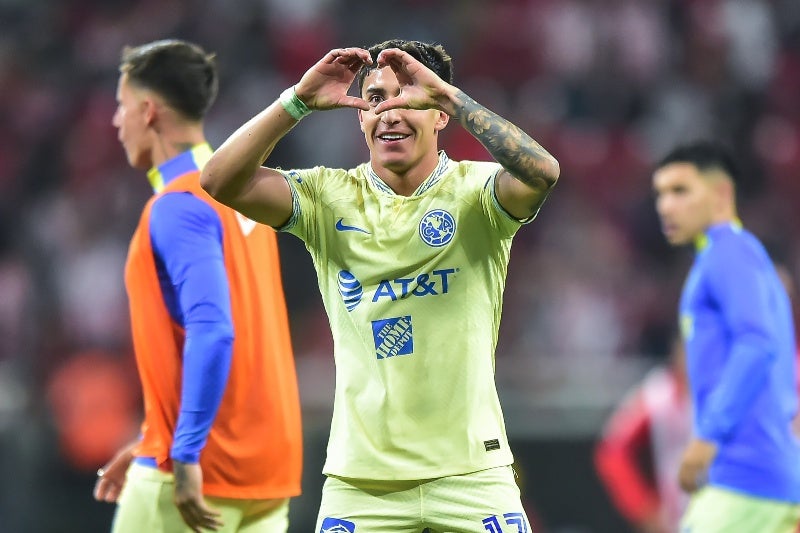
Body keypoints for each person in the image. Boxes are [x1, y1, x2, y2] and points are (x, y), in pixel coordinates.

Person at [200, 39, 560, 532]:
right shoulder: (329, 197)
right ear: (360, 118)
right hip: (360, 482)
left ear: (438, 114)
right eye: (374, 101)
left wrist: (452, 96)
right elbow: (219, 180)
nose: (387, 113)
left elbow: (543, 172)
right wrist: (297, 101)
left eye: (406, 99)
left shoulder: (477, 192)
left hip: (472, 475)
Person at [92, 39, 303, 533]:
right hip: (267, 473)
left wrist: (181, 449)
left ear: (148, 112)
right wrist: (154, 433)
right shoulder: (247, 197)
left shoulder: (178, 204)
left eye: (121, 107)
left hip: (197, 473)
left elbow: (214, 329)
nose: (116, 122)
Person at [651, 140, 800, 532]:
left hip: (742, 481)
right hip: (770, 481)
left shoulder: (727, 253)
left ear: (722, 194)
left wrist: (708, 436)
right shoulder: (746, 257)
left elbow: (757, 343)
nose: (666, 206)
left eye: (680, 191)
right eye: (660, 194)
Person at [594, 335, 691, 533]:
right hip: (673, 517)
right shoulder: (657, 395)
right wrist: (643, 507)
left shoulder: (726, 394)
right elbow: (612, 452)